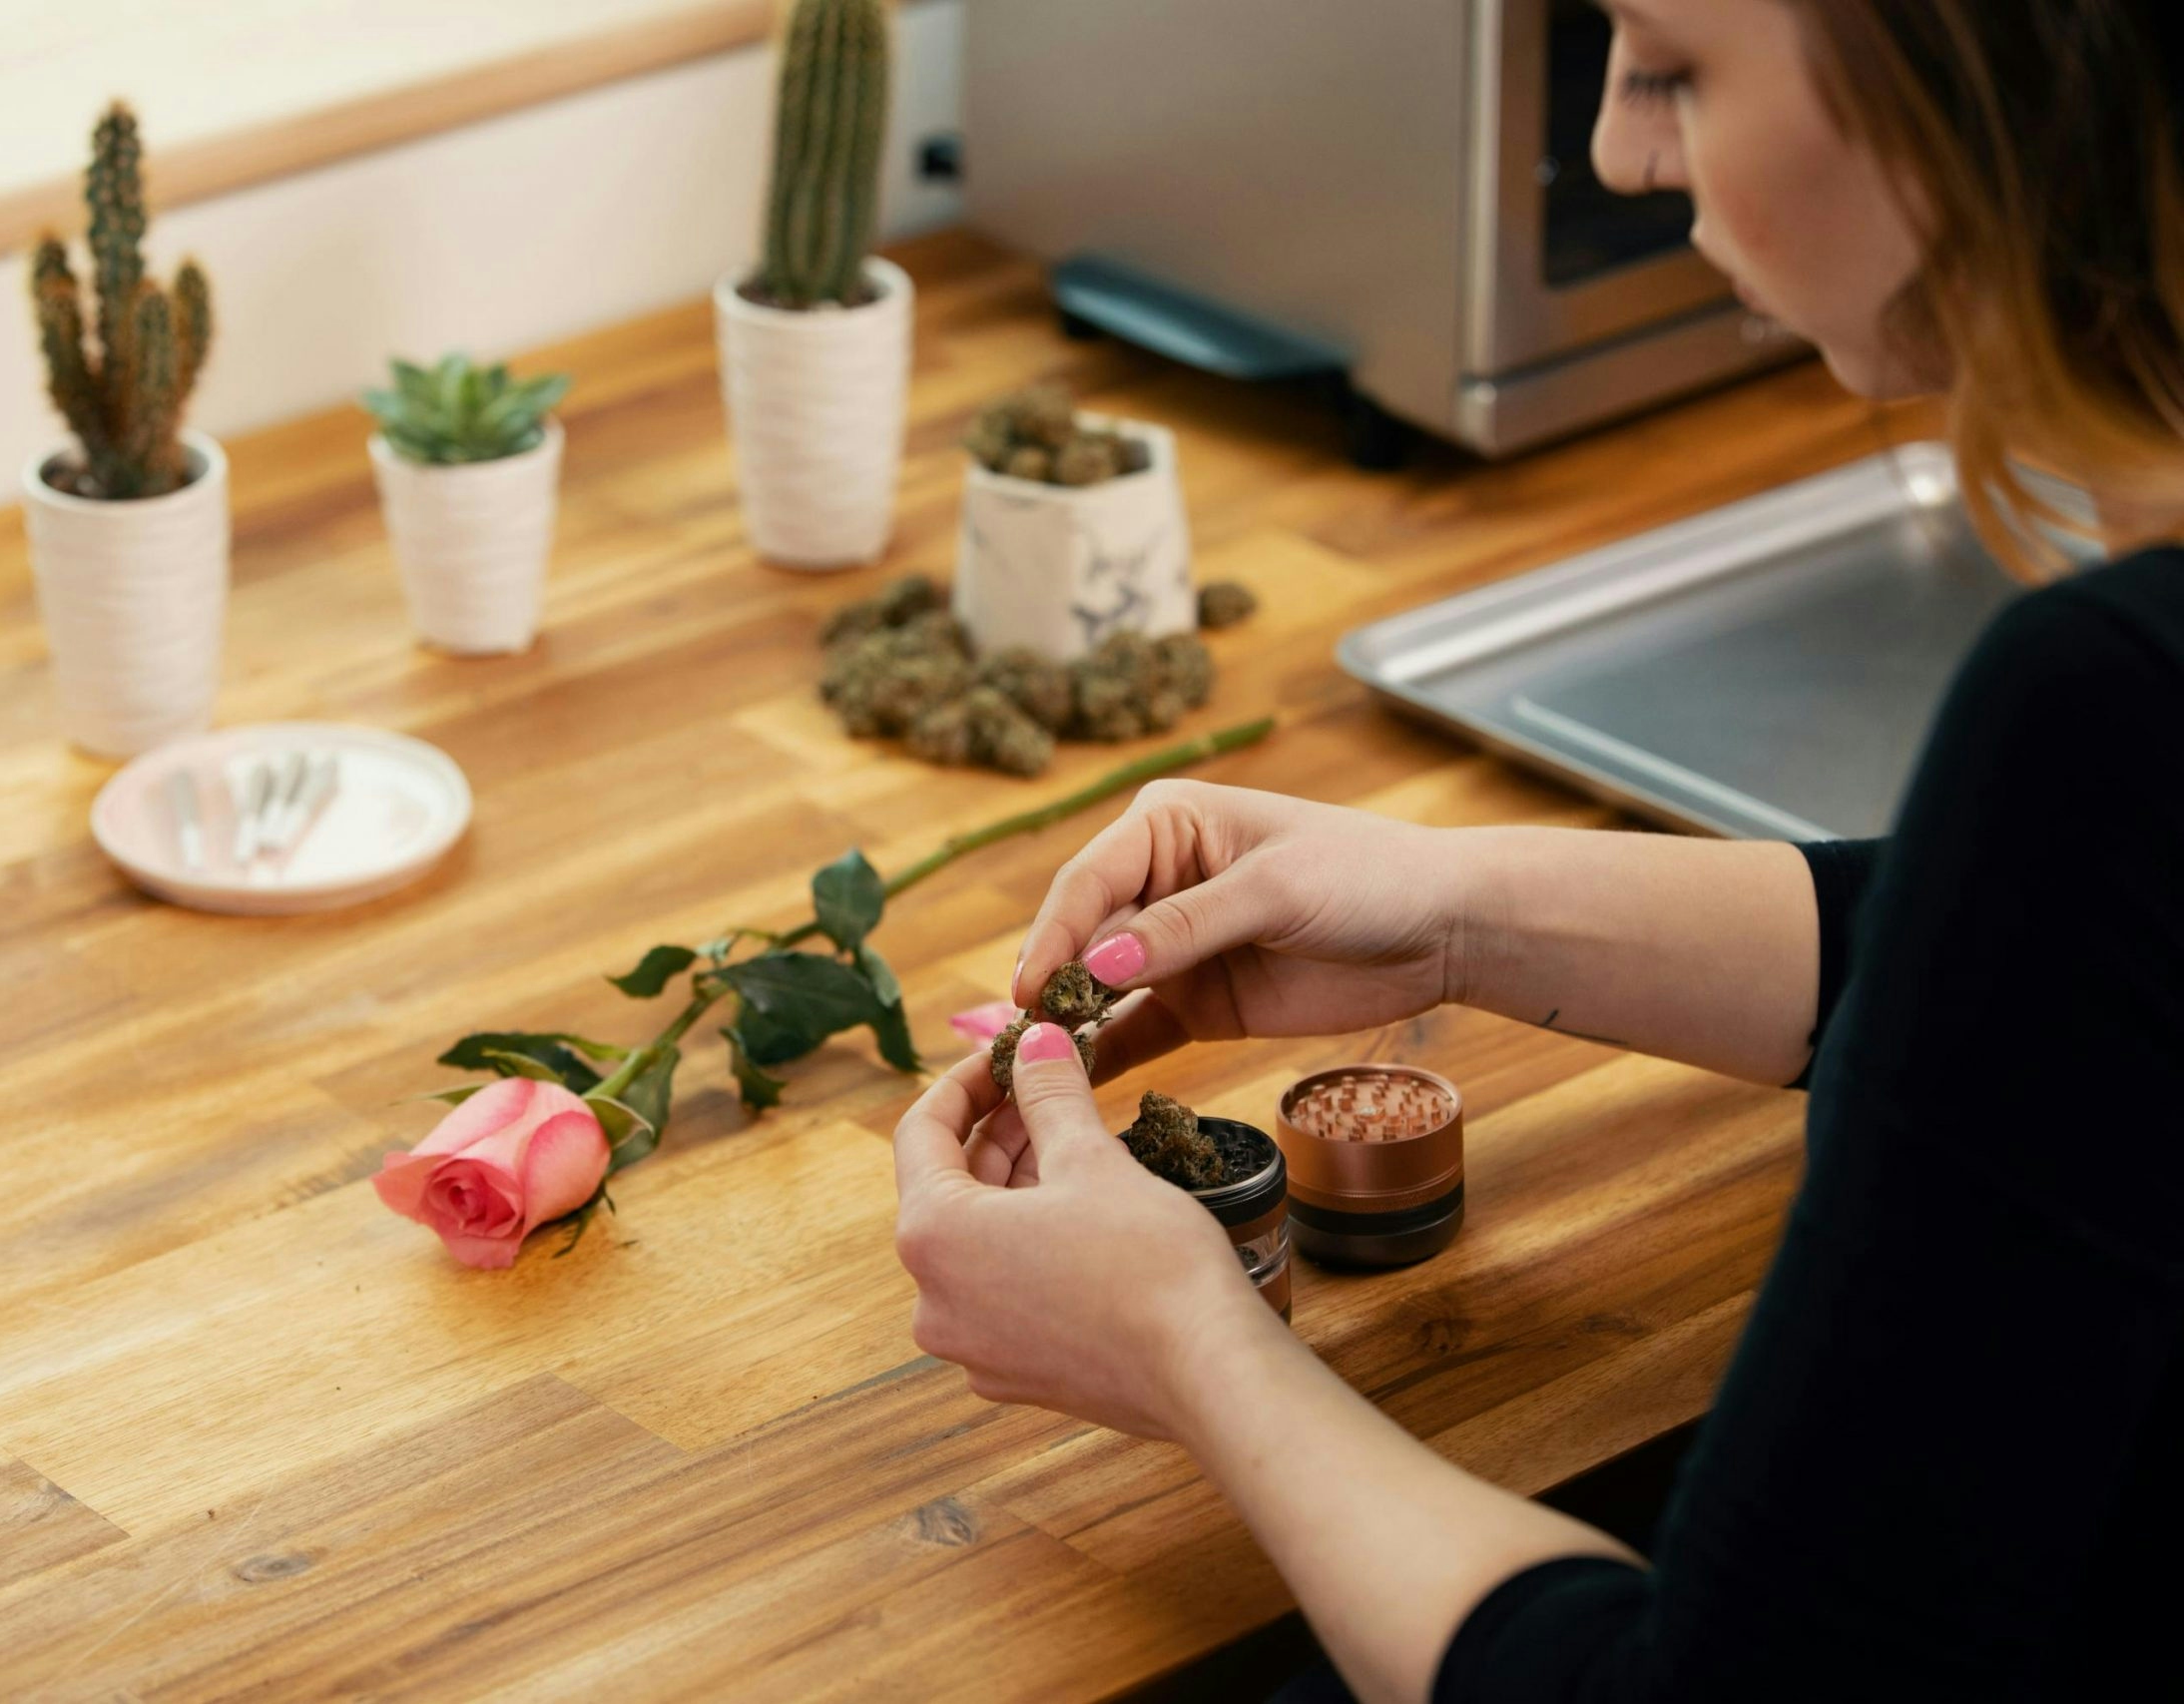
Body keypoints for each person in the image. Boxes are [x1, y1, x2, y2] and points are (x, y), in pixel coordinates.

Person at [888, 2, 2184, 1699]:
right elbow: (2088, 977)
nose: (1619, 153)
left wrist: (1184, 1343)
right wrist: (1454, 915)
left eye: (1670, 63)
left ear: (1983, 58)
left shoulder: (2105, 698)